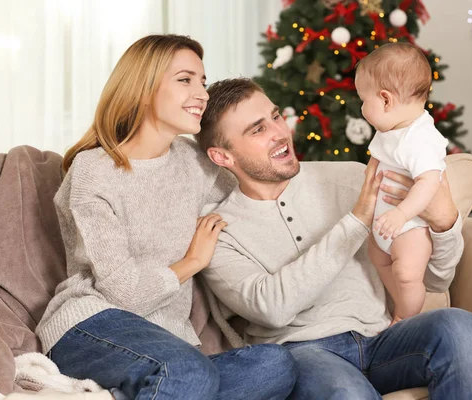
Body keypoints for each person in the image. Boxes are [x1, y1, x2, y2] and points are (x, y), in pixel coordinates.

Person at [198, 77, 472, 399]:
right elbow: (271, 309)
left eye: (276, 116)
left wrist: (444, 223)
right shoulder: (219, 229)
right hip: (304, 353)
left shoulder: (353, 177)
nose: (280, 133)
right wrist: (356, 221)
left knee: (461, 328)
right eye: (258, 130)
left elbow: (435, 280)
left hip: (385, 338)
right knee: (347, 393)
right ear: (222, 157)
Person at [35, 35, 297, 400]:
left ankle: (153, 391)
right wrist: (192, 262)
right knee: (187, 371)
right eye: (185, 79)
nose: (202, 93)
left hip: (170, 344)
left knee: (275, 364)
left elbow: (255, 192)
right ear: (143, 88)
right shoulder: (94, 170)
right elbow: (124, 293)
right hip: (91, 325)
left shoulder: (195, 163)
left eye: (203, 81)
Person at [355, 42, 449, 325]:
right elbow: (380, 161)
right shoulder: (392, 129)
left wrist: (402, 214)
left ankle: (404, 317)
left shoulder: (420, 138)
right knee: (379, 258)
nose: (361, 108)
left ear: (385, 100)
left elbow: (428, 182)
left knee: (407, 275)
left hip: (410, 227)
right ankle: (400, 304)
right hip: (386, 224)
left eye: (363, 100)